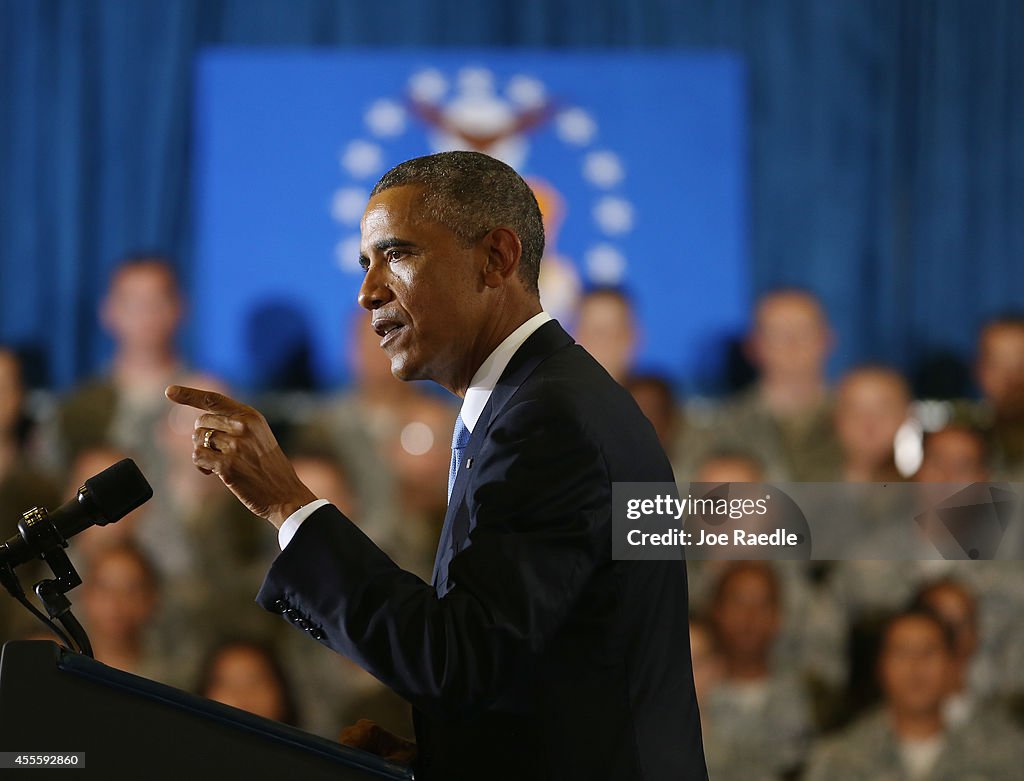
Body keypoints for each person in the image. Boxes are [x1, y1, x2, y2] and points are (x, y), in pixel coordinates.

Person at [167, 151, 707, 780]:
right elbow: (535, 661)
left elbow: (459, 662)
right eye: (366, 264)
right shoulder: (539, 401)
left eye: (397, 255)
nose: (368, 291)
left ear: (496, 260)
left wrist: (289, 504)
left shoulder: (549, 421)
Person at [803, 608, 1022, 781]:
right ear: (880, 667)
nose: (915, 667)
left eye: (928, 652)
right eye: (902, 653)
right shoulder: (838, 760)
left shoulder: (1002, 755)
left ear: (951, 665)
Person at [711, 289, 841, 481]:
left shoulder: (858, 421)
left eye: (804, 330)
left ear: (827, 339)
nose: (792, 343)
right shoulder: (721, 429)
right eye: (777, 333)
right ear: (753, 346)